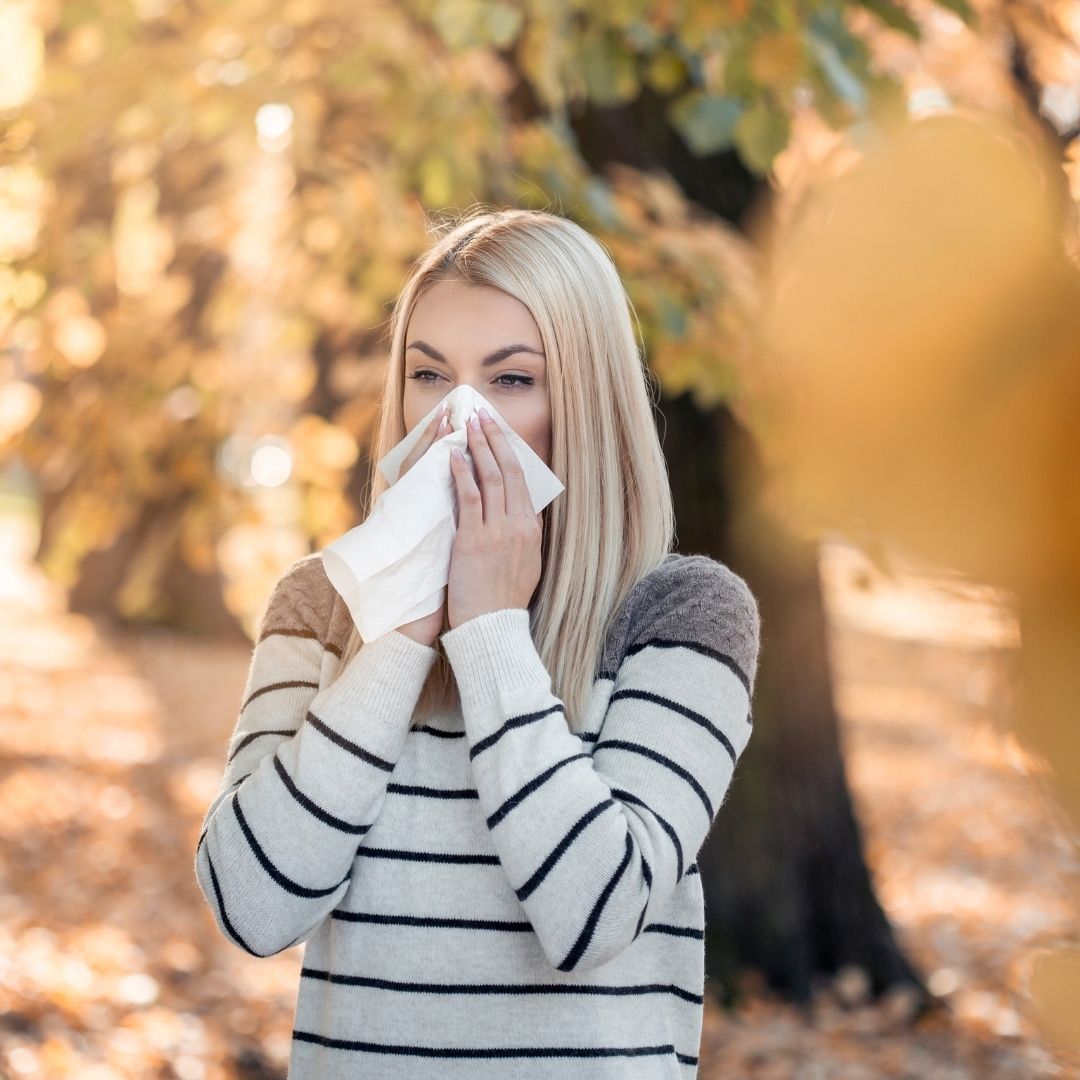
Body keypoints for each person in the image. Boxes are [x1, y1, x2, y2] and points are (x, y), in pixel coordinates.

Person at [194, 206, 762, 1079]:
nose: (459, 420)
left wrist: (493, 632)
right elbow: (251, 906)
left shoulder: (682, 614)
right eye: (430, 375)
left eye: (510, 381)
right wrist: (405, 629)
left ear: (585, 398)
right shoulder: (320, 603)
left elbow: (596, 915)